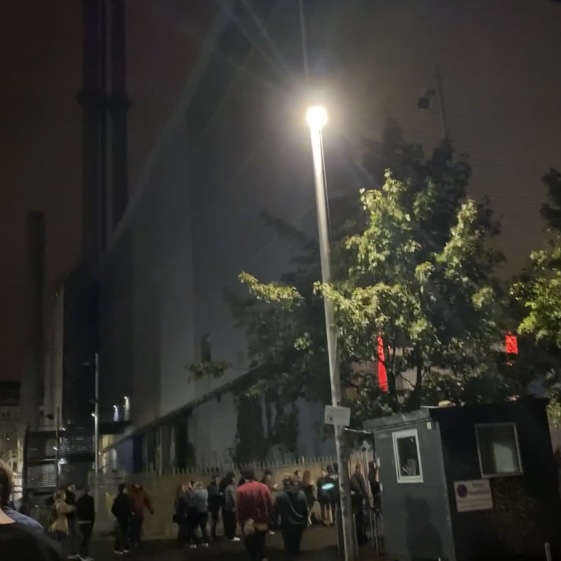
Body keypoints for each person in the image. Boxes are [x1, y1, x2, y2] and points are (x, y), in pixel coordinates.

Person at [236, 467, 273, 561]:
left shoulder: (240, 490)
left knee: (250, 547)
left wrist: (240, 522)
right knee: (260, 544)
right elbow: (269, 504)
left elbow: (240, 508)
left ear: (243, 476)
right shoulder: (264, 487)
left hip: (247, 523)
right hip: (261, 521)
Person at [274, 476, 309, 561]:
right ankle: (296, 556)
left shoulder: (281, 495)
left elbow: (276, 510)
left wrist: (274, 522)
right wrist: (305, 520)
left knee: (288, 545)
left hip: (286, 524)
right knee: (297, 543)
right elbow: (305, 509)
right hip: (299, 523)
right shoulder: (301, 494)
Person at [49, 490, 76, 556]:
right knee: (62, 546)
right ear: (61, 496)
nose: (65, 496)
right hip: (60, 527)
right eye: (64, 495)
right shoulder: (61, 504)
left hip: (55, 527)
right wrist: (74, 507)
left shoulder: (55, 503)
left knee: (57, 545)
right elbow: (68, 509)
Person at [128, 483, 153, 548]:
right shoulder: (131, 494)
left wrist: (150, 509)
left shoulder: (142, 493)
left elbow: (146, 501)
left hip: (139, 513)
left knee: (138, 528)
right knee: (134, 528)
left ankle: (137, 540)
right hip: (134, 513)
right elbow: (129, 503)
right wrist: (131, 511)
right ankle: (133, 541)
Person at [350, 464, 368, 546]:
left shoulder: (352, 476)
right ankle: (361, 538)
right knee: (360, 517)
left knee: (356, 516)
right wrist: (365, 495)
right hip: (359, 497)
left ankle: (357, 536)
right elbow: (362, 487)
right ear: (359, 468)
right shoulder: (359, 476)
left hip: (353, 498)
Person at [111, 484, 132, 555]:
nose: (127, 490)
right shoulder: (125, 498)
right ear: (123, 489)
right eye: (125, 489)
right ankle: (122, 547)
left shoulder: (117, 498)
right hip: (125, 518)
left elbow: (113, 509)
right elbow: (128, 508)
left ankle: (121, 547)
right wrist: (130, 514)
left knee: (121, 533)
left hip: (120, 517)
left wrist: (117, 515)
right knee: (124, 533)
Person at [75, 487, 95, 561]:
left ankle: (80, 553)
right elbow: (91, 511)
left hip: (80, 521)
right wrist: (92, 521)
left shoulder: (79, 500)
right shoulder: (90, 499)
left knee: (83, 538)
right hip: (87, 521)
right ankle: (83, 555)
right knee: (86, 539)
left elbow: (76, 510)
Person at [188, 482, 209, 548]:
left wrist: (192, 489)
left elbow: (191, 498)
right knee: (203, 528)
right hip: (204, 511)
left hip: (196, 511)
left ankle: (194, 543)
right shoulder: (206, 491)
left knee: (194, 527)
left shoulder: (195, 492)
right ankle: (205, 542)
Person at [222, 472, 239, 542]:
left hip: (227, 507)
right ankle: (232, 536)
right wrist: (235, 506)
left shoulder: (226, 487)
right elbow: (233, 498)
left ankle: (229, 536)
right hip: (231, 508)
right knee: (232, 522)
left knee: (228, 522)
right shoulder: (231, 488)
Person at [65, 484, 79, 559]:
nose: (74, 489)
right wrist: (73, 508)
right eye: (72, 487)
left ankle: (72, 552)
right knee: (70, 536)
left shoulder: (71, 496)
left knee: (72, 535)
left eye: (74, 487)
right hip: (69, 518)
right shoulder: (68, 496)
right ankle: (70, 553)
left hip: (70, 518)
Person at [207, 474, 221, 542]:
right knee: (213, 521)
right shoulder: (212, 487)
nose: (218, 480)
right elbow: (213, 496)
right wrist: (219, 495)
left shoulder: (213, 487)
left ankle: (213, 535)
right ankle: (212, 535)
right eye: (217, 479)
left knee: (214, 521)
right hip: (213, 506)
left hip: (214, 506)